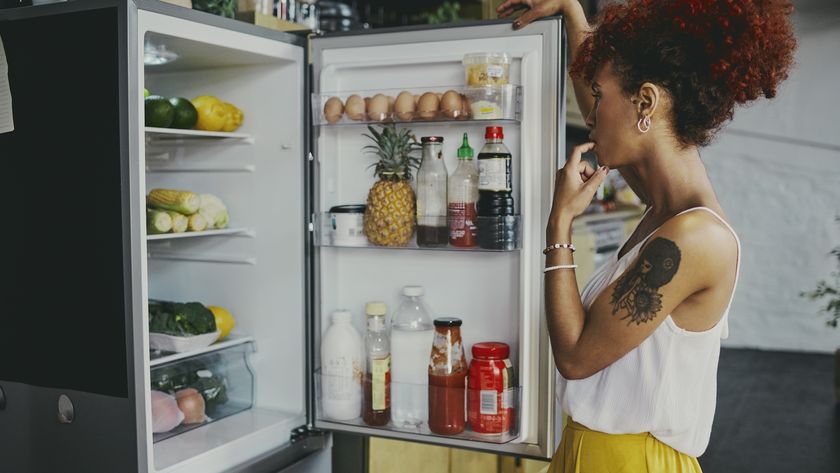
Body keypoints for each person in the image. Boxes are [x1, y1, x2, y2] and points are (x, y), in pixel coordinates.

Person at [498, 0, 796, 471]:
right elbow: (600, 109)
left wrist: (559, 224)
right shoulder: (665, 207)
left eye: (599, 95)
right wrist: (574, 14)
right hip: (591, 453)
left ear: (646, 103)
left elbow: (575, 357)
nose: (591, 113)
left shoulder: (695, 237)